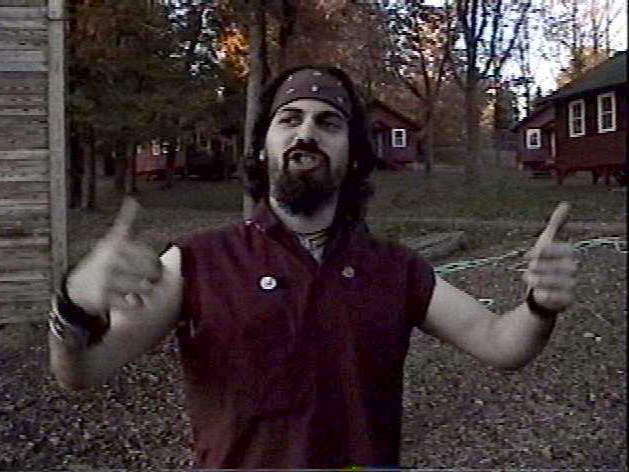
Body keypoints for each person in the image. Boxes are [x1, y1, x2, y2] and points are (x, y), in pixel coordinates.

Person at [49, 66, 577, 468]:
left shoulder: (395, 268)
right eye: (290, 119)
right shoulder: (197, 262)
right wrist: (73, 308)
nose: (307, 133)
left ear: (353, 154)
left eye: (329, 122)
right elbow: (82, 372)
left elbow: (501, 343)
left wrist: (539, 305)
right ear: (263, 147)